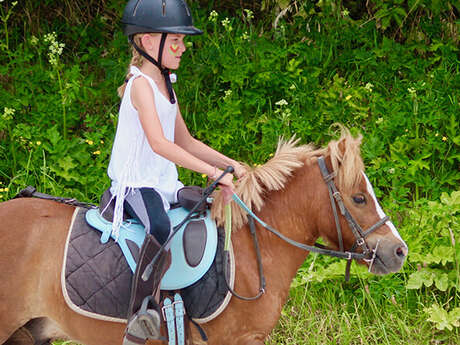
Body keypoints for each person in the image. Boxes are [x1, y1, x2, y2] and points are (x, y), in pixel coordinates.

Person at [106, 0, 246, 341]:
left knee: (200, 211)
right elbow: (159, 144)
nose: (183, 47)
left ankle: (188, 302)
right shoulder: (141, 85)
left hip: (162, 183)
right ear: (149, 42)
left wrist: (231, 164)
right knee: (160, 224)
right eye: (176, 41)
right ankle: (142, 313)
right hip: (135, 185)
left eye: (183, 42)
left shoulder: (166, 85)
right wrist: (213, 173)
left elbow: (184, 140)